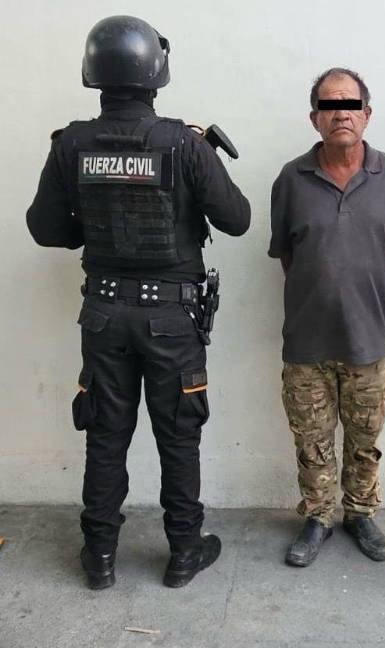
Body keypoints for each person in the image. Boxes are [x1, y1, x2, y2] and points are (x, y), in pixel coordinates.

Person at [26, 15, 251, 589]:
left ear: (93, 74)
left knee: (105, 436)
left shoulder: (70, 144)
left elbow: (46, 229)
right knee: (179, 436)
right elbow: (238, 219)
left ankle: (99, 557)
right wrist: (203, 162)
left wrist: (92, 227)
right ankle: (183, 552)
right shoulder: (185, 143)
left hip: (103, 316)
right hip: (172, 317)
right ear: (157, 72)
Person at [268, 68, 385, 566]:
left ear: (366, 114)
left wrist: (356, 283)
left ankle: (360, 514)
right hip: (306, 341)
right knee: (311, 441)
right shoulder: (291, 179)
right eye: (329, 106)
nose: (341, 114)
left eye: (350, 105)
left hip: (367, 339)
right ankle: (318, 517)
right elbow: (288, 254)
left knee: (364, 440)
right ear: (315, 118)